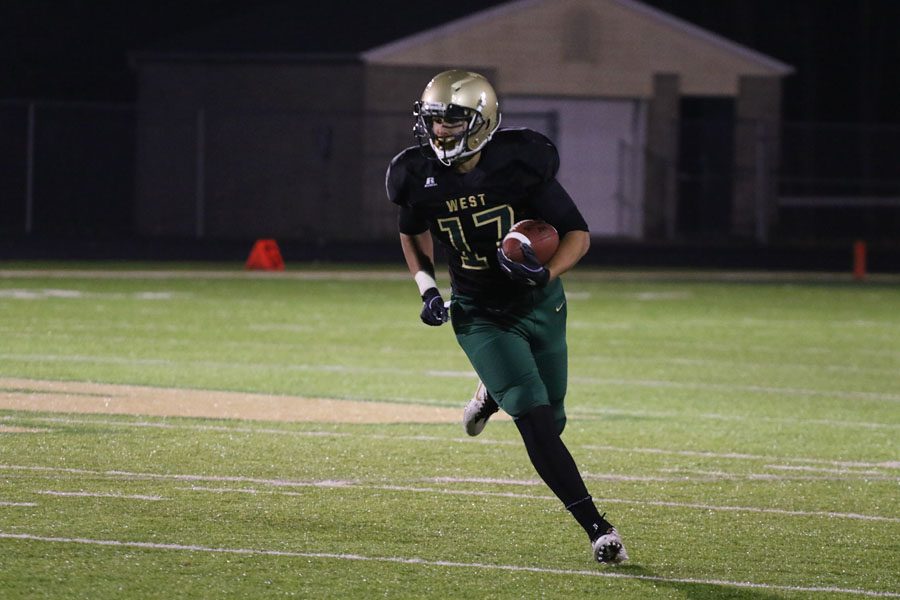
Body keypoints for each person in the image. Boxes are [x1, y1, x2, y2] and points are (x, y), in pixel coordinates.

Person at [385, 69, 628, 565]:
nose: (440, 133)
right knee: (534, 418)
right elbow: (411, 230)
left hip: (540, 305)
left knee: (553, 419)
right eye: (434, 122)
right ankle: (598, 528)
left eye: (452, 122)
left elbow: (577, 232)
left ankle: (490, 390)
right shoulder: (415, 174)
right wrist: (427, 287)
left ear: (481, 120)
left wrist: (545, 273)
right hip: (480, 312)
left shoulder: (519, 163)